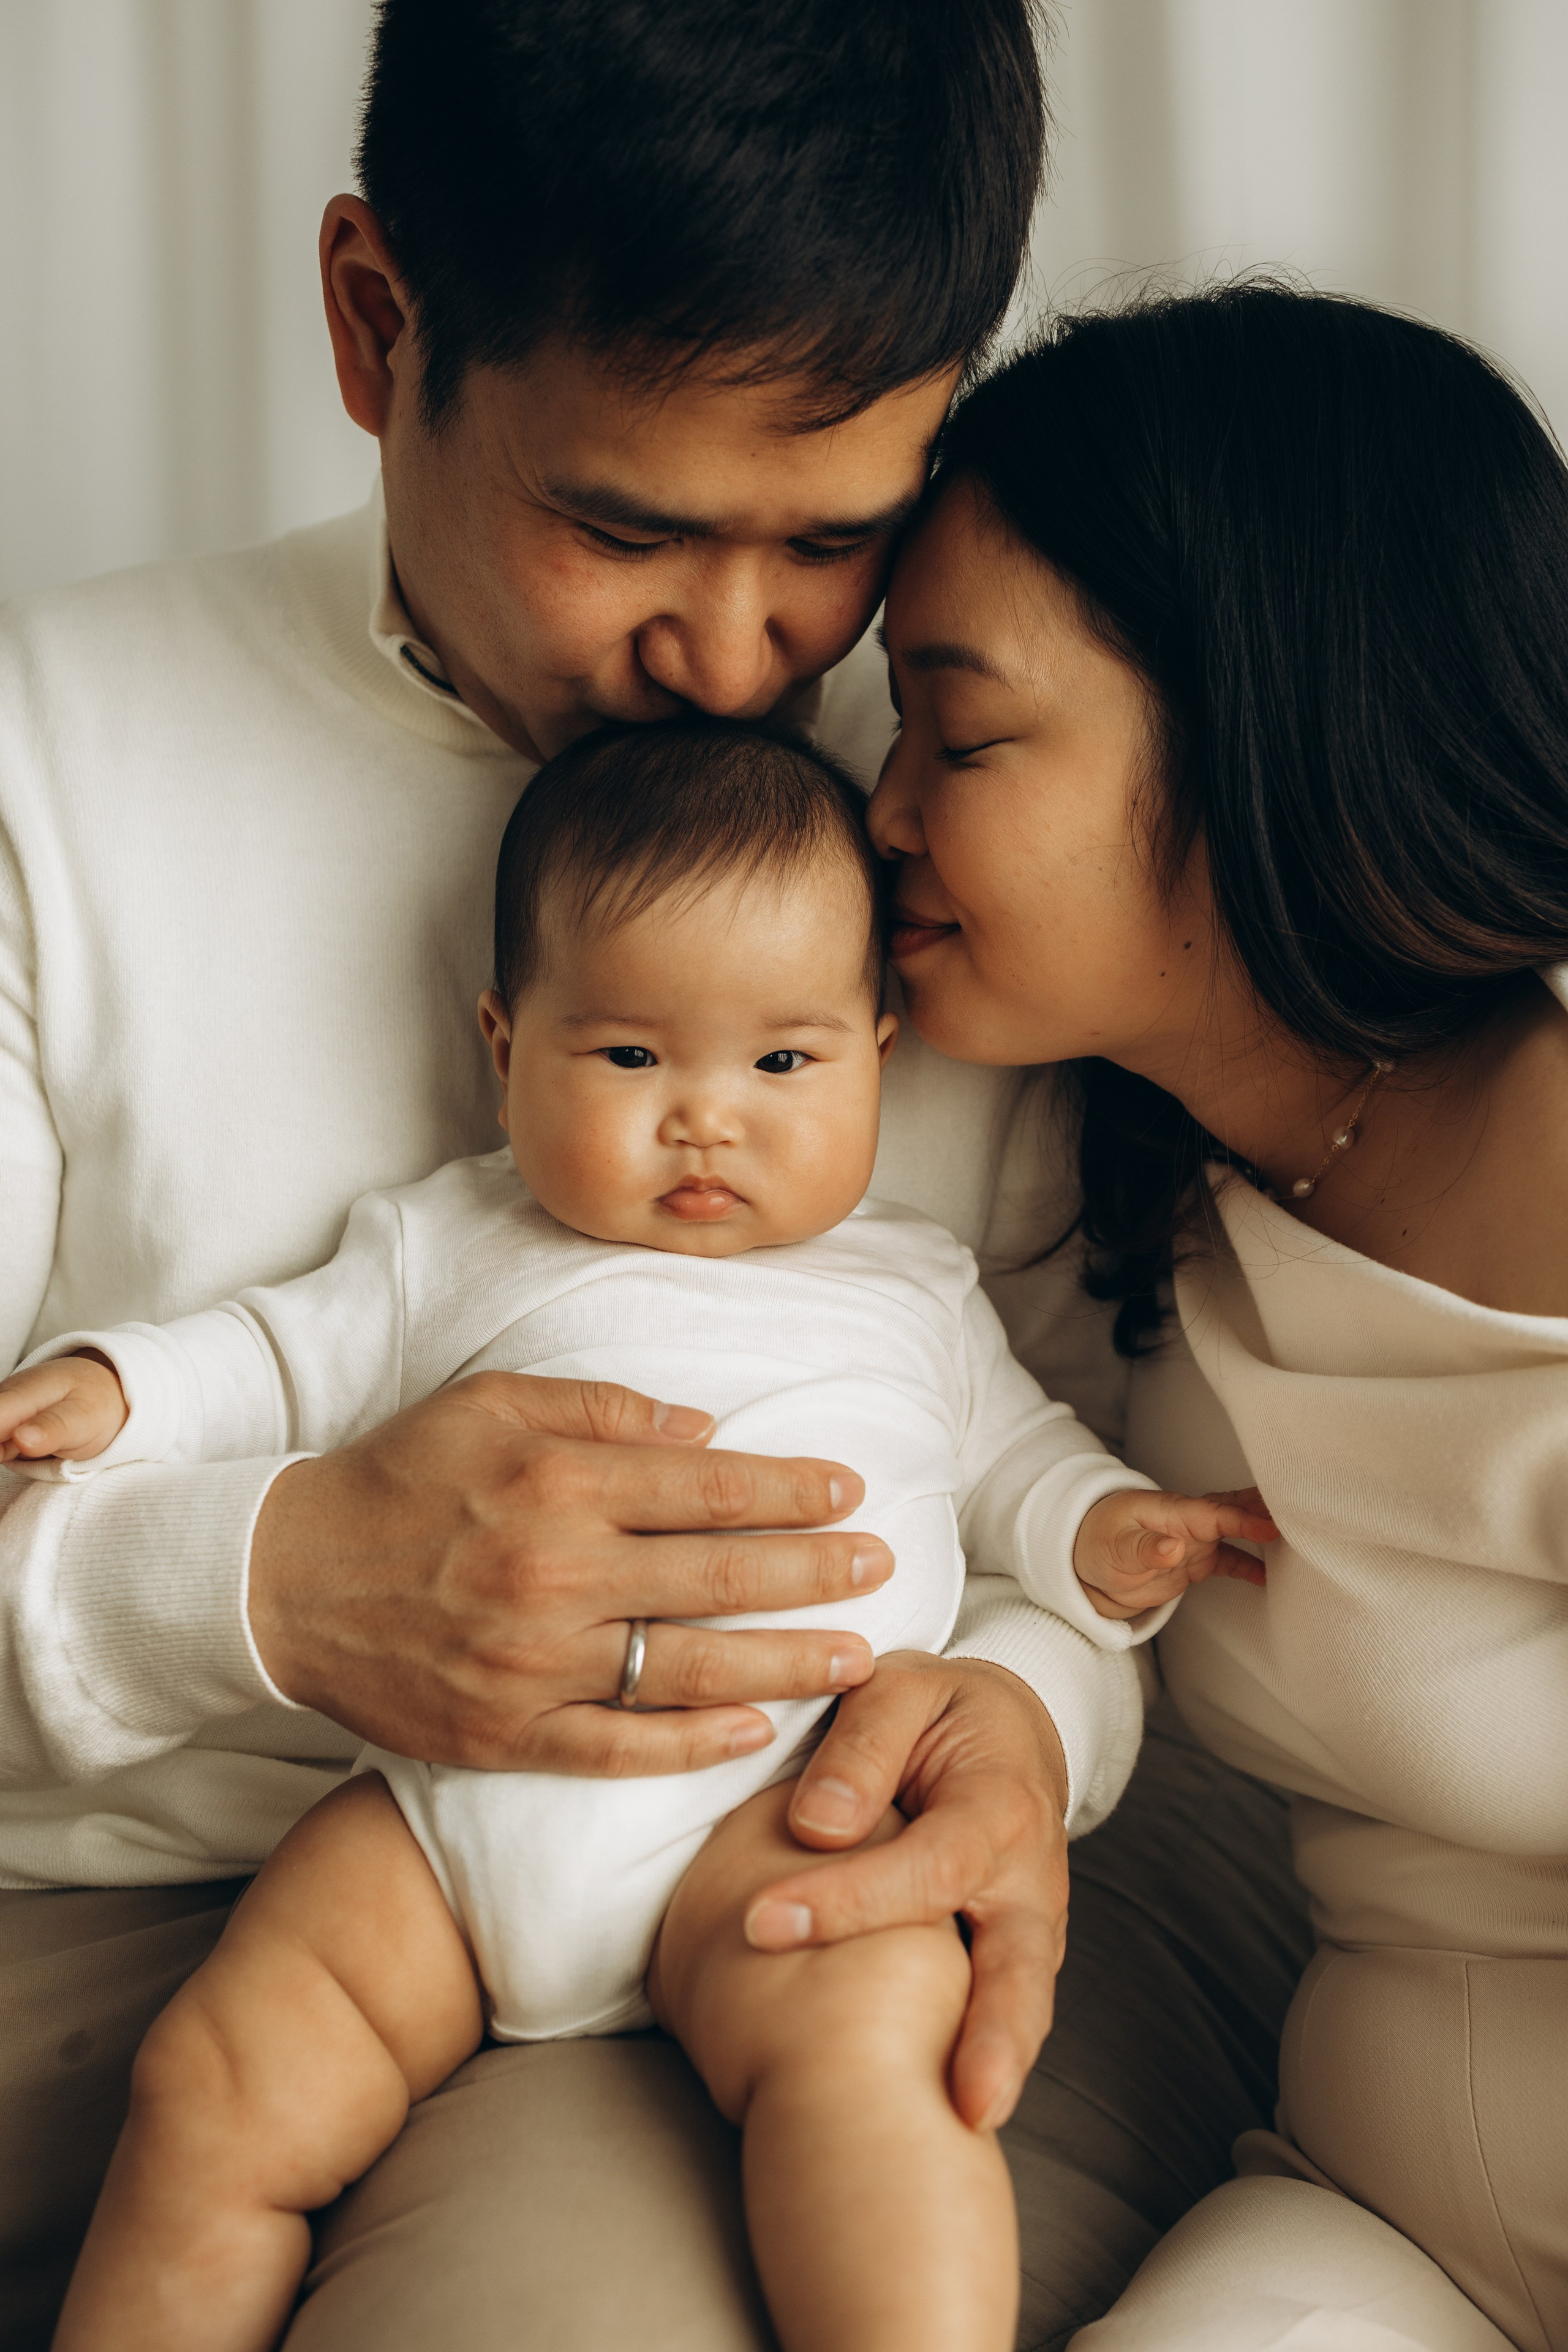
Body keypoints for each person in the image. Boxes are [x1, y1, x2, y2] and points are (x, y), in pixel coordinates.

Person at [0, 4, 1314, 2345]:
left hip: (736, 1890)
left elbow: (1122, 1515)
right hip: (127, 1897)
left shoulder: (960, 814)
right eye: (624, 527)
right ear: (375, 323)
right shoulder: (48, 768)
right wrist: (267, 1582)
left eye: (835, 540)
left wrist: (1030, 1718)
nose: (742, 659)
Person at [4, 718, 1273, 2352]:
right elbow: (269, 1355)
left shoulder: (916, 1285)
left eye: (784, 1063)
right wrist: (125, 1390)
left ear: (880, 1050)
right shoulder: (444, 1242)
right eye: (628, 1059)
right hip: (450, 1827)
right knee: (211, 2082)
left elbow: (1016, 1464)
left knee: (875, 2069)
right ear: (504, 1041)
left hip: (782, 1812)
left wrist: (1100, 1535)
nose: (706, 1120)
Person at [868, 279, 1568, 2350]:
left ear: (1270, 720)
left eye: (961, 731)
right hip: (1378, 2225)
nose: (885, 809)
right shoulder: (1100, 1180)